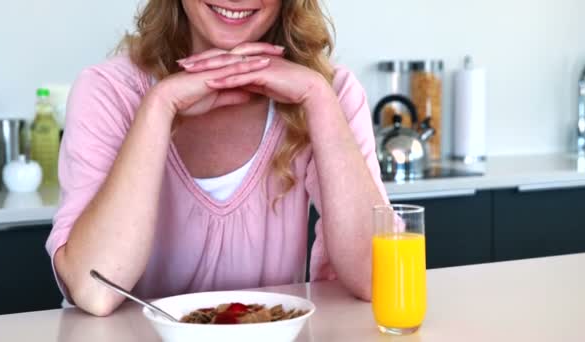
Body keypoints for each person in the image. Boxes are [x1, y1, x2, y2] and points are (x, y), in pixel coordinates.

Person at [46, 0, 388, 316]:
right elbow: (95, 291)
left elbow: (380, 280)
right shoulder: (109, 91)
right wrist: (160, 106)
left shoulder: (329, 92)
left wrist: (318, 99)